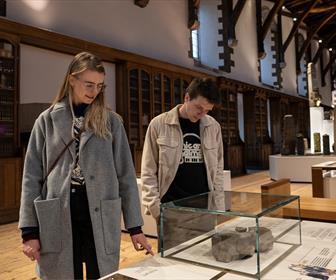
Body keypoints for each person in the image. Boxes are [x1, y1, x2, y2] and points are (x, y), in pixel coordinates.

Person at [19, 52, 153, 280]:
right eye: (88, 84)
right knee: (61, 273)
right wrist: (29, 231)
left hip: (99, 213)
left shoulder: (111, 121)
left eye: (100, 86)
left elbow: (126, 177)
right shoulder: (47, 120)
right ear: (71, 80)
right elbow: (32, 176)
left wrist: (135, 227)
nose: (94, 91)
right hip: (58, 212)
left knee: (100, 273)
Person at [141, 78, 224, 221]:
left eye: (207, 110)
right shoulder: (159, 124)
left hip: (205, 208)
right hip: (170, 210)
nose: (202, 114)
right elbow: (148, 171)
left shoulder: (213, 127)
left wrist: (219, 208)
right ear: (187, 97)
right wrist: (156, 209)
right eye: (199, 108)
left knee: (204, 244)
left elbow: (218, 170)